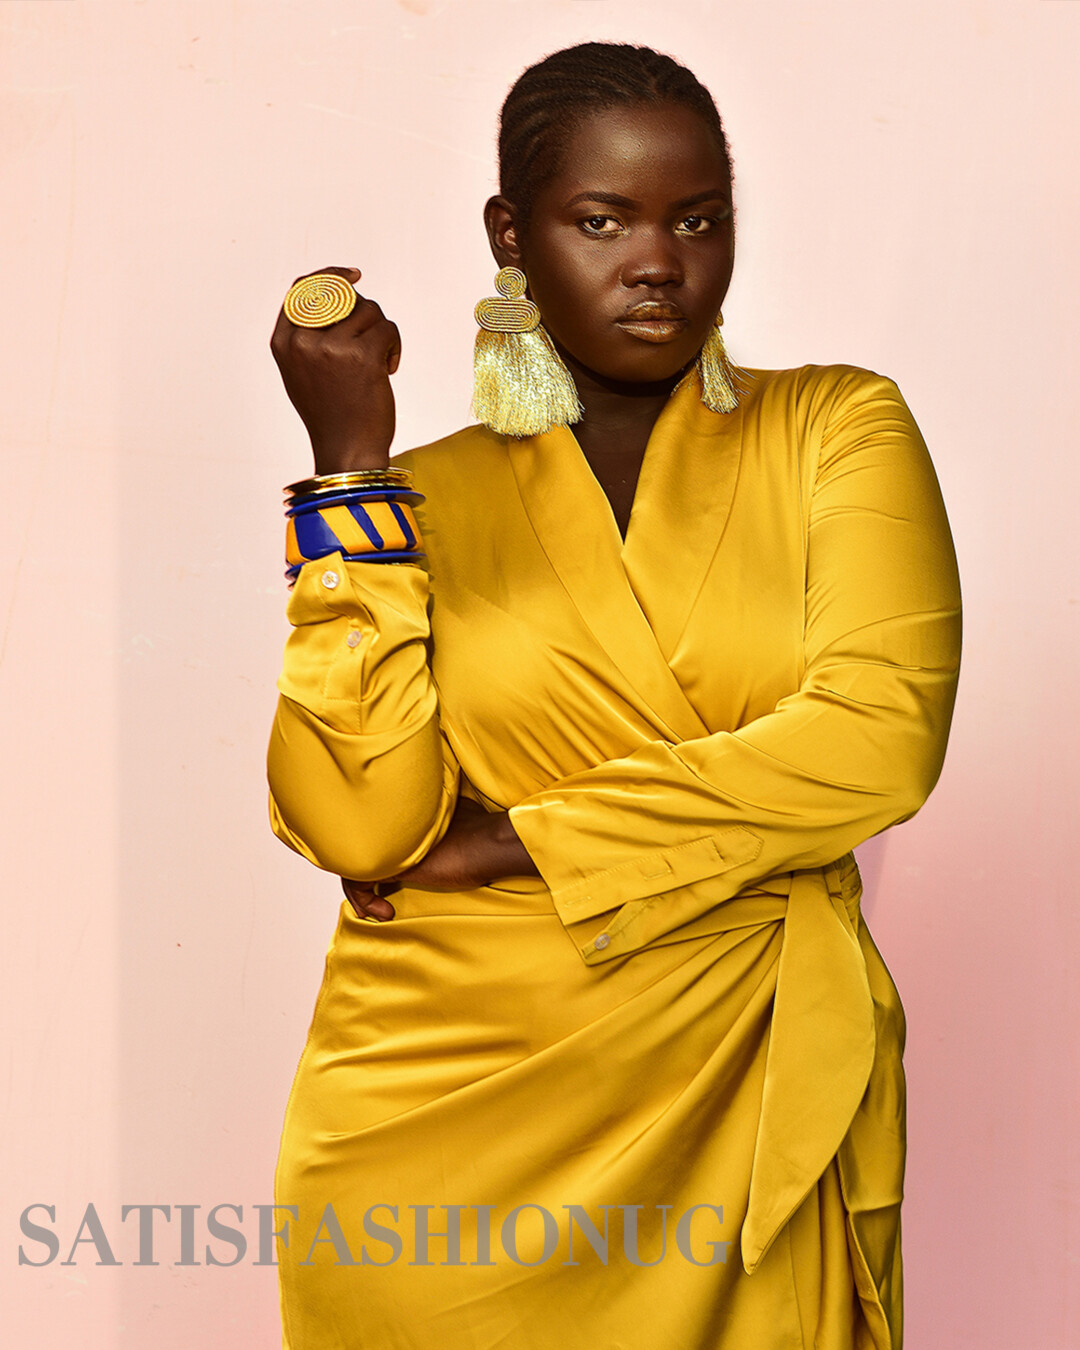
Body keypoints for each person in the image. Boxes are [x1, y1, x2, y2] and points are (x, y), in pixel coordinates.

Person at [266, 41, 961, 1350]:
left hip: (738, 1088)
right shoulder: (416, 499)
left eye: (697, 220)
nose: (658, 262)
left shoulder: (836, 430)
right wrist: (350, 466)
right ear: (511, 237)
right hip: (440, 1123)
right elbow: (362, 824)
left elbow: (880, 744)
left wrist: (520, 839)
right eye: (603, 220)